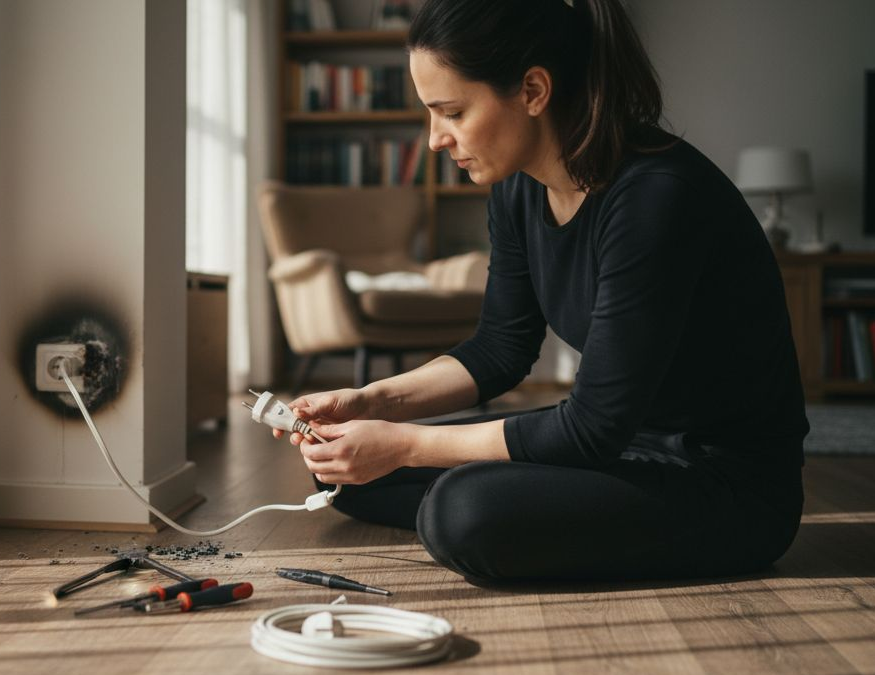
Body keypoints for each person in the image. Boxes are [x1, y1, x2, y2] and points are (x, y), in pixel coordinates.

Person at [273, 0, 810, 584]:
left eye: (452, 112)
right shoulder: (519, 190)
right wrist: (370, 403)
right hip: (621, 447)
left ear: (533, 90)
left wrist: (404, 446)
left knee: (460, 510)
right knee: (341, 469)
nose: (434, 140)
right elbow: (499, 349)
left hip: (722, 483)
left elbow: (590, 428)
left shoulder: (656, 197)